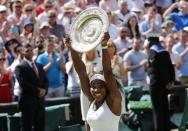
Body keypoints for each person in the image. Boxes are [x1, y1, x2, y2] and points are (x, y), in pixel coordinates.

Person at [65, 32, 122, 131]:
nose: (96, 90)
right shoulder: (93, 101)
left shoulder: (114, 101)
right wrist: (72, 48)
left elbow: (108, 73)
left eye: (100, 86)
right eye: (93, 86)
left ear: (107, 87)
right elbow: (81, 72)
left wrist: (104, 46)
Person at [15, 44, 48, 131]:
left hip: (40, 103)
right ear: (23, 52)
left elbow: (45, 80)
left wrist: (44, 90)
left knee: (40, 127)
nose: (30, 52)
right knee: (27, 128)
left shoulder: (39, 66)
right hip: (27, 103)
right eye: (27, 51)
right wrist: (38, 91)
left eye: (31, 50)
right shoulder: (20, 67)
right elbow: (23, 84)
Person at [147, 35, 175, 131]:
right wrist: (171, 80)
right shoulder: (165, 51)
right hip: (165, 85)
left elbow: (157, 68)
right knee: (164, 109)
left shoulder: (152, 51)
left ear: (150, 42)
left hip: (156, 84)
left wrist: (167, 81)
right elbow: (171, 67)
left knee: (157, 109)